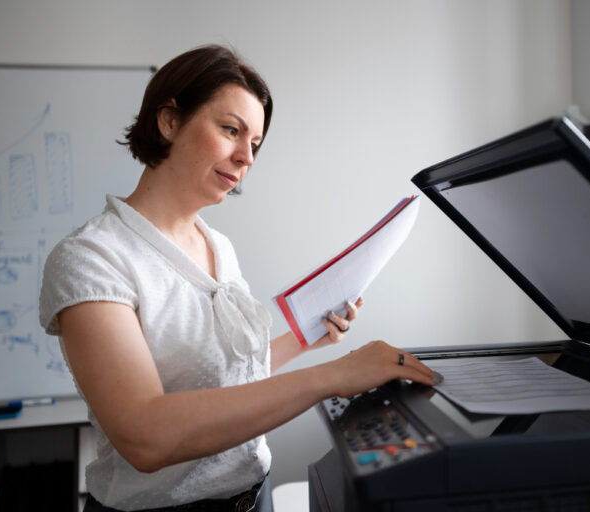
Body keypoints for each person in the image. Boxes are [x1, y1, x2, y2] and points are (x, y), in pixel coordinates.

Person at [38, 44, 440, 512]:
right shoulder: (92, 257)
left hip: (254, 497)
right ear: (169, 122)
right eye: (232, 130)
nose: (246, 157)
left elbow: (224, 380)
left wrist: (306, 340)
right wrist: (334, 376)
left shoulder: (218, 246)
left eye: (255, 144)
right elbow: (144, 435)